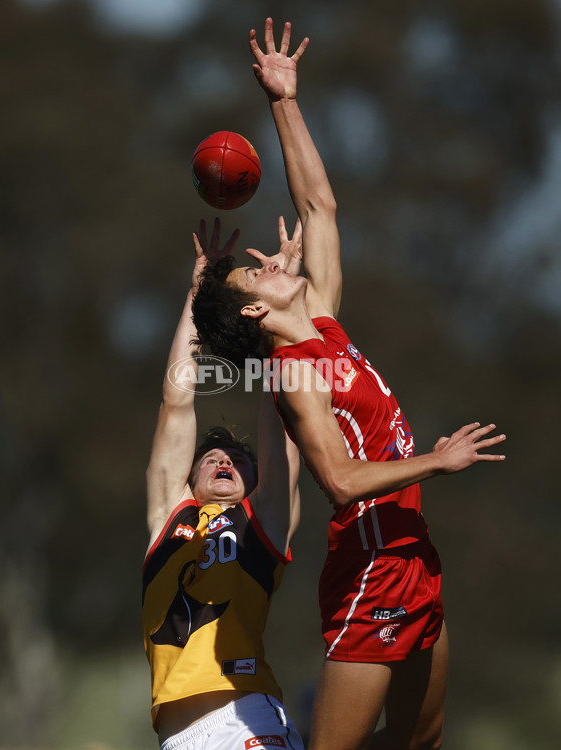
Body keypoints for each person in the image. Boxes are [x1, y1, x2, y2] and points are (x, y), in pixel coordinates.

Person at [191, 18, 507, 750]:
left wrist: (282, 101)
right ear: (256, 309)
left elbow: (320, 206)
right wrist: (437, 459)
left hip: (414, 558)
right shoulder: (296, 371)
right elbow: (335, 478)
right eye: (257, 270)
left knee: (420, 745)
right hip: (370, 575)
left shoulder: (322, 326)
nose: (272, 257)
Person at [143, 217, 305, 750]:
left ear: (255, 482)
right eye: (211, 456)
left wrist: (278, 313)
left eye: (237, 460)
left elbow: (282, 418)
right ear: (186, 479)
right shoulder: (172, 517)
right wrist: (198, 294)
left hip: (245, 721)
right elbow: (176, 401)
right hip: (176, 738)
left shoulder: (263, 520)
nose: (224, 461)